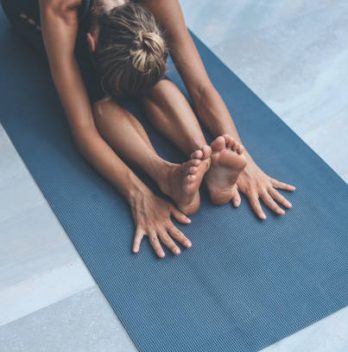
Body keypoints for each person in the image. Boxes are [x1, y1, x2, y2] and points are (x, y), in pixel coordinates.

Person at [1, 0, 295, 258]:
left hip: (109, 28)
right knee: (98, 99)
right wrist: (138, 193)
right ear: (92, 42)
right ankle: (164, 174)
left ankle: (204, 157)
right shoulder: (60, 9)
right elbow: (83, 126)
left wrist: (243, 157)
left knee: (149, 79)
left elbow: (201, 87)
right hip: (31, 17)